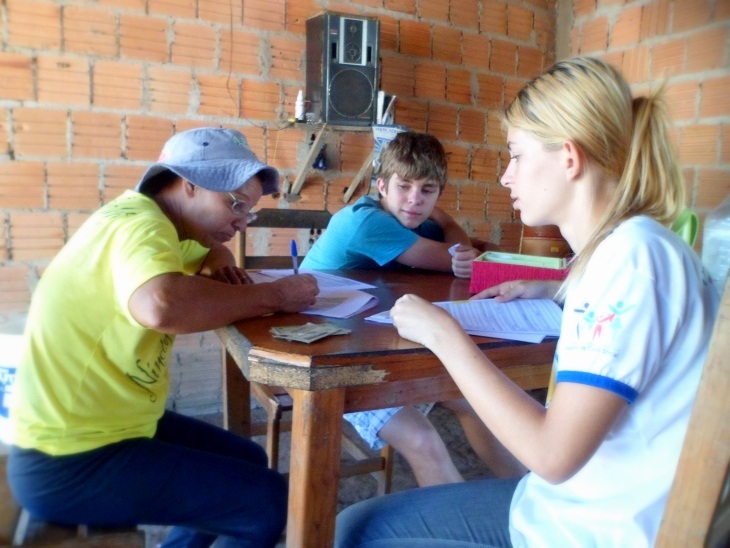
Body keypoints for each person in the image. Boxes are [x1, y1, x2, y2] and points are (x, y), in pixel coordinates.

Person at [335, 57, 720, 547]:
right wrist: (556, 287)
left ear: (569, 158)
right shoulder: (635, 248)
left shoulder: (629, 262)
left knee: (358, 531)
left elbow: (552, 455)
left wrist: (444, 335)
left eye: (516, 156)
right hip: (581, 505)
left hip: (591, 531)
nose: (506, 177)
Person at [7, 127, 320, 548]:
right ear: (189, 183)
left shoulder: (163, 226)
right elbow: (161, 305)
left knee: (249, 457)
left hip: (109, 427)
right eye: (235, 204)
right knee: (266, 502)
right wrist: (275, 296)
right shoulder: (140, 225)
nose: (242, 222)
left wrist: (219, 266)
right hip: (67, 459)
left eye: (249, 211)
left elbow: (211, 253)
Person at [302, 131, 522, 486]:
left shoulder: (411, 219)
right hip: (328, 357)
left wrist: (451, 231)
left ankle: (527, 499)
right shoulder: (366, 221)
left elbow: (463, 250)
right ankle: (456, 521)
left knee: (472, 404)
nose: (414, 200)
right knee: (424, 440)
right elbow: (455, 259)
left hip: (376, 342)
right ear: (382, 186)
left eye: (427, 190)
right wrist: (450, 226)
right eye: (404, 186)